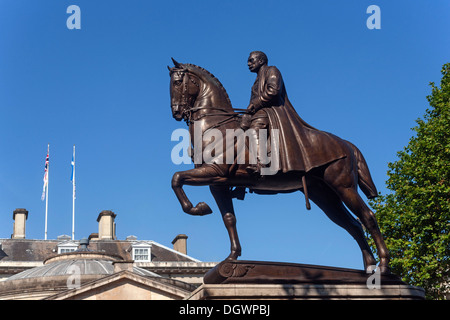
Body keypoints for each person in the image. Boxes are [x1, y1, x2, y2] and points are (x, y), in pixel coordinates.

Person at [241, 51, 347, 175]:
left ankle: (261, 163)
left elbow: (274, 91)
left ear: (261, 61)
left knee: (254, 131)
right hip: (260, 111)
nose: (248, 64)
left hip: (272, 111)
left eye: (251, 60)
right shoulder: (256, 81)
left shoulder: (272, 71)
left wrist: (255, 104)